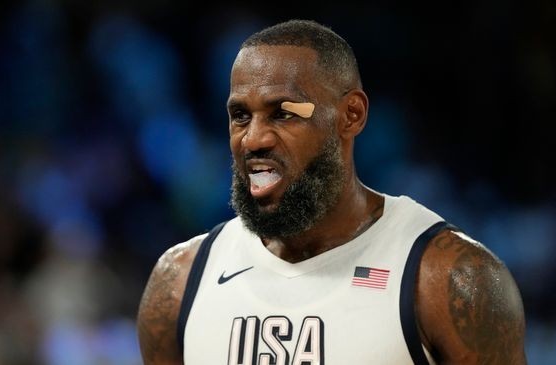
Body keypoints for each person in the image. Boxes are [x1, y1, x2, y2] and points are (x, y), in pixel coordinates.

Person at [137, 19, 526, 364]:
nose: (253, 138)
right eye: (241, 115)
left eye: (283, 113)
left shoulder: (448, 277)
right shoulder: (180, 280)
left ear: (351, 115)